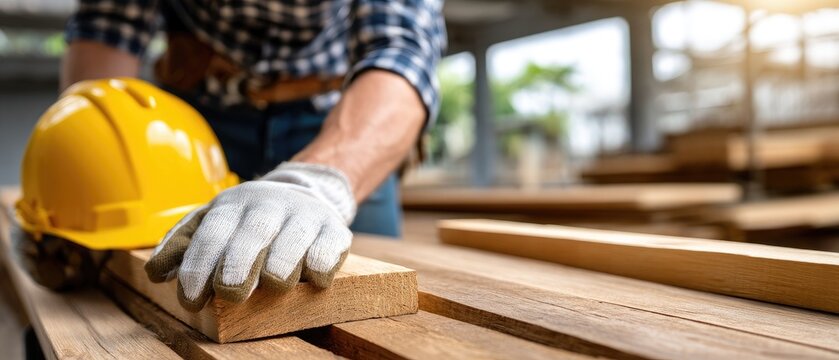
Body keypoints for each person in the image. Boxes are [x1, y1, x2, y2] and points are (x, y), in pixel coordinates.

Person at [61, 0, 446, 311]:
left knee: (370, 294)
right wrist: (81, 186)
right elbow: (107, 30)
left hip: (347, 120)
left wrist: (318, 182)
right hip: (192, 132)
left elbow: (401, 50)